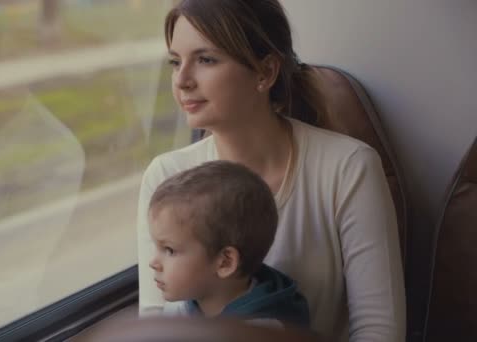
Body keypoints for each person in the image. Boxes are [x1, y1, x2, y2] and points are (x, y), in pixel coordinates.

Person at [136, 0, 406, 341]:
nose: (182, 80)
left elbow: (379, 331)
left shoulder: (349, 168)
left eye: (206, 59)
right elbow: (155, 327)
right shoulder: (165, 176)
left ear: (266, 72)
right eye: (176, 62)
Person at [148, 160, 309, 328]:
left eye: (169, 250)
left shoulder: (261, 332)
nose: (153, 263)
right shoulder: (180, 307)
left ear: (225, 262)